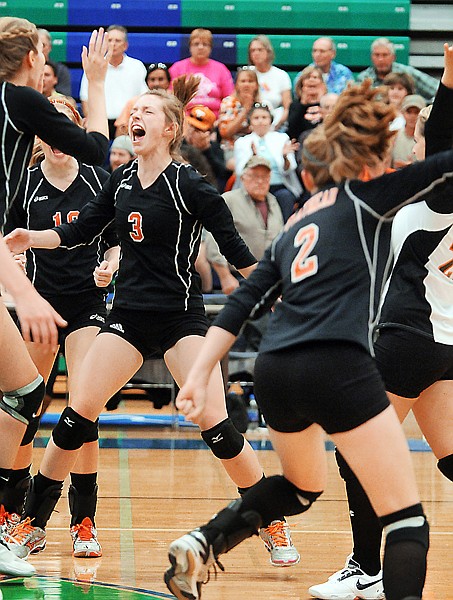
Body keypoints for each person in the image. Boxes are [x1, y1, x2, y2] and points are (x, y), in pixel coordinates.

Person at [163, 80, 450, 600]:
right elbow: (446, 162)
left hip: (274, 367)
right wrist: (449, 78)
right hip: (337, 361)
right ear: (373, 159)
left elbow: (242, 301)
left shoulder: (300, 217)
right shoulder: (373, 198)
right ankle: (372, 572)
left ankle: (202, 542)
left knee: (299, 488)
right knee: (407, 520)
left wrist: (201, 372)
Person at [5, 76, 300, 568]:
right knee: (76, 415)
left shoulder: (191, 186)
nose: (133, 118)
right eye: (132, 111)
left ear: (170, 128)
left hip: (180, 320)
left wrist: (281, 295)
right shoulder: (120, 182)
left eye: (146, 111)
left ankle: (269, 518)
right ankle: (33, 525)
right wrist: (28, 240)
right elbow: (80, 231)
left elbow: (237, 252)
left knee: (214, 423)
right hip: (126, 318)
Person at [309, 42, 453, 600]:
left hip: (405, 337)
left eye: (421, 130)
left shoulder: (438, 191)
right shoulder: (423, 194)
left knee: (356, 449)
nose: (414, 134)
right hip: (442, 343)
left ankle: (366, 566)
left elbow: (443, 123)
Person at [0, 16, 109, 576]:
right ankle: (13, 516)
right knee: (25, 398)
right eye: (43, 53)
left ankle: (75, 518)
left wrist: (111, 258)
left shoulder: (93, 178)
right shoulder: (20, 111)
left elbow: (117, 224)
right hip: (36, 301)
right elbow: (98, 141)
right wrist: (95, 84)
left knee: (60, 401)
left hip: (86, 306)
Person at [205, 155, 284, 296]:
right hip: (236, 278)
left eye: (265, 177)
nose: (260, 181)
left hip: (267, 278)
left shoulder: (273, 201)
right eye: (254, 176)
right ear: (242, 178)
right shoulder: (228, 200)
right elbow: (212, 240)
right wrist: (225, 277)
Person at [234, 103, 301, 222]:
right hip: (253, 188)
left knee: (285, 197)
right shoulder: (242, 142)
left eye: (264, 117)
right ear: (250, 122)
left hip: (279, 185)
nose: (260, 121)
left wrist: (285, 157)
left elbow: (290, 169)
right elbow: (240, 171)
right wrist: (253, 158)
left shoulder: (282, 138)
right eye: (256, 118)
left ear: (270, 120)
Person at [80, 24, 147, 139]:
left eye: (117, 41)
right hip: (100, 122)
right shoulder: (95, 65)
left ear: (125, 45)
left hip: (127, 124)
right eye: (110, 40)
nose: (113, 44)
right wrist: (93, 122)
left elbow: (143, 96)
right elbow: (85, 98)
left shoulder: (137, 66)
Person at [169, 28, 234, 118]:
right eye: (196, 44)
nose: (200, 47)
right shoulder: (177, 68)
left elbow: (229, 99)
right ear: (190, 47)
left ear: (210, 48)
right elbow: (171, 98)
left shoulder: (221, 69)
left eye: (205, 44)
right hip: (185, 119)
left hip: (215, 120)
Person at [357, 37, 438, 101]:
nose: (381, 59)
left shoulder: (407, 73)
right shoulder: (363, 78)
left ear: (393, 57)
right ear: (371, 57)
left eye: (385, 55)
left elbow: (437, 89)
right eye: (377, 55)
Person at [181, 104, 231, 192]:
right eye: (191, 126)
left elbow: (222, 174)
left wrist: (206, 150)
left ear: (208, 133)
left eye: (197, 130)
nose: (191, 132)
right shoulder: (178, 145)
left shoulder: (214, 148)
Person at [218, 66, 261, 168]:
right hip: (232, 148)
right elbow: (225, 133)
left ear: (256, 85)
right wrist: (245, 110)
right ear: (236, 84)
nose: (246, 84)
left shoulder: (262, 104)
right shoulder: (228, 103)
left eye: (250, 81)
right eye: (243, 81)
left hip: (258, 146)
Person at [248, 35, 292, 131]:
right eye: (253, 50)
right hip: (249, 124)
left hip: (276, 123)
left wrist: (273, 127)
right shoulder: (246, 73)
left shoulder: (281, 75)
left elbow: (287, 108)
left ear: (268, 52)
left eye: (260, 50)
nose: (256, 53)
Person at [115, 62, 171, 136]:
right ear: (147, 82)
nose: (156, 83)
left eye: (161, 79)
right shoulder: (134, 102)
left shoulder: (175, 103)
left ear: (168, 82)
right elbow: (120, 132)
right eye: (152, 79)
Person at [288, 66, 327, 142]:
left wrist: (320, 101)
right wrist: (303, 104)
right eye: (307, 77)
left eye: (315, 77)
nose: (311, 80)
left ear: (322, 84)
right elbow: (292, 132)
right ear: (302, 86)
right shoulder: (295, 105)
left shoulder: (328, 103)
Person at [392, 94, 426, 168]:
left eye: (416, 112)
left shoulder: (426, 140)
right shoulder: (393, 136)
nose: (412, 116)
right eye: (409, 112)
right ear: (402, 113)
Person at [38, 28, 72, 97]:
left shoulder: (61, 70)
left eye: (43, 45)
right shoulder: (25, 69)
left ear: (50, 47)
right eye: (37, 46)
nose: (40, 49)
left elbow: (65, 98)